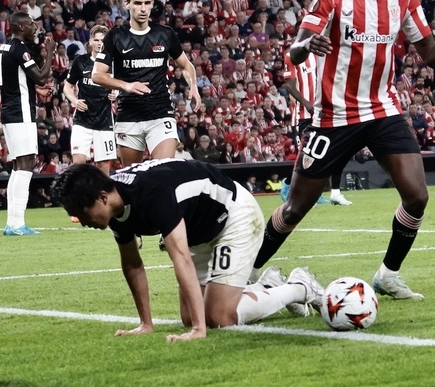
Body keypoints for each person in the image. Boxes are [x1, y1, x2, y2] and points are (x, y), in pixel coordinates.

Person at [250, 0, 435, 301]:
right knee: (295, 208)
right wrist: (307, 48)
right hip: (333, 115)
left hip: (383, 109)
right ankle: (249, 269)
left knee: (417, 195)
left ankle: (387, 274)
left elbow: (430, 54)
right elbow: (296, 47)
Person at [52, 160, 324, 342]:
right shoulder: (115, 204)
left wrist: (199, 329)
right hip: (197, 228)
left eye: (81, 213)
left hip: (233, 216)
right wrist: (146, 324)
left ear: (101, 199)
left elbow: (180, 257)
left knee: (218, 317)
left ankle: (299, 287)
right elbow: (133, 265)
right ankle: (266, 286)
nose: (83, 222)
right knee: (188, 316)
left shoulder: (152, 195)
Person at [92, 0, 201, 166]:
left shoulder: (165, 34)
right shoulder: (115, 36)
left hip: (160, 113)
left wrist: (194, 87)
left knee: (164, 170)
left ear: (152, 4)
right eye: (137, 3)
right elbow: (97, 75)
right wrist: (127, 86)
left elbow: (186, 65)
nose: (143, 8)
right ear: (127, 4)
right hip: (129, 115)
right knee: (134, 179)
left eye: (146, 3)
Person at [0, 11, 53, 236]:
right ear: (20, 28)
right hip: (21, 113)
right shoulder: (21, 50)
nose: (35, 27)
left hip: (10, 112)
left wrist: (33, 89)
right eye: (31, 24)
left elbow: (18, 79)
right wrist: (49, 53)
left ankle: (12, 223)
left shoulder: (5, 47)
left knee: (18, 165)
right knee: (27, 163)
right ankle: (17, 223)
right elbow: (41, 76)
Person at [283, 49, 351, 206]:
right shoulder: (292, 55)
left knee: (337, 151)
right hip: (303, 116)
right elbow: (290, 85)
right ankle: (292, 188)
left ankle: (335, 192)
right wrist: (307, 104)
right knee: (308, 156)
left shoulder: (320, 55)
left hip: (324, 112)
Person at [63, 24, 117, 175]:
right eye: (97, 40)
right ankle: (78, 198)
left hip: (104, 120)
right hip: (83, 119)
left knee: (103, 167)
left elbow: (122, 85)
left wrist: (116, 94)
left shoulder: (113, 64)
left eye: (103, 40)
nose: (100, 43)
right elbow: (67, 87)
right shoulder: (80, 61)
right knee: (78, 164)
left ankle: (102, 197)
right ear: (90, 42)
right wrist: (75, 101)